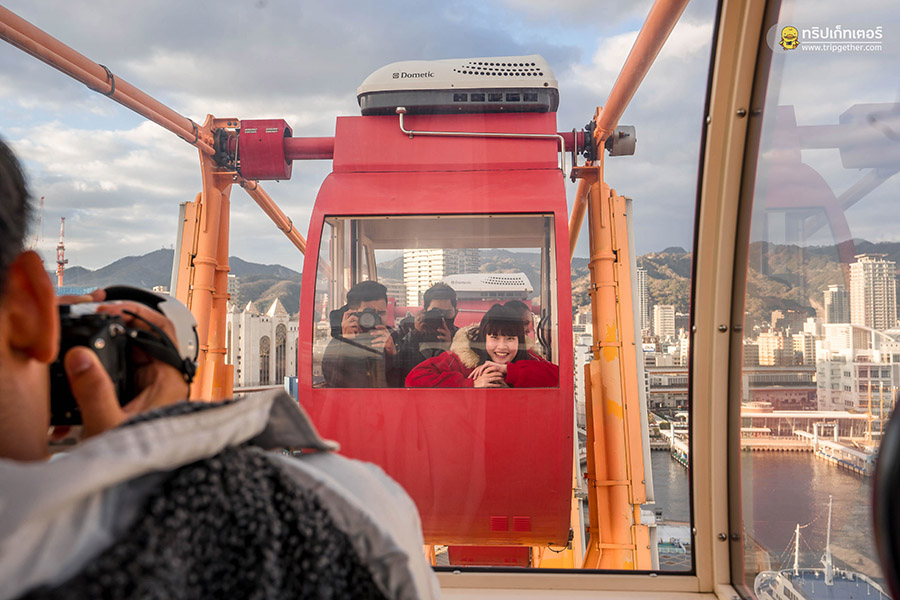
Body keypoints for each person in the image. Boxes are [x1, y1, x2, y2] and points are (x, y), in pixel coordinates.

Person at [0, 139, 439, 599]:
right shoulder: (344, 512)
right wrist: (153, 450)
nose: (370, 321)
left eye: (378, 314)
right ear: (30, 309)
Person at [405, 303, 558, 388]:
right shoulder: (461, 359)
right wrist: (470, 384)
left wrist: (508, 370)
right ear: (484, 339)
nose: (502, 346)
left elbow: (559, 377)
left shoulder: (527, 357)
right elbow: (414, 379)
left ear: (520, 341)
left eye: (510, 338)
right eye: (494, 338)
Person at [321, 280, 403, 388]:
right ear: (352, 314)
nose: (375, 318)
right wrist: (346, 343)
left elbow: (405, 383)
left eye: (381, 313)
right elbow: (333, 382)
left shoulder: (395, 338)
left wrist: (393, 354)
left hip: (385, 398)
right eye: (369, 313)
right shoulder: (339, 342)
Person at [395, 282, 459, 382]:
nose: (442, 317)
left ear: (456, 312)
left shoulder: (462, 338)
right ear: (424, 311)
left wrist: (450, 347)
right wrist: (416, 334)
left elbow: (461, 376)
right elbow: (402, 371)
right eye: (436, 312)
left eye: (448, 313)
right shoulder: (407, 332)